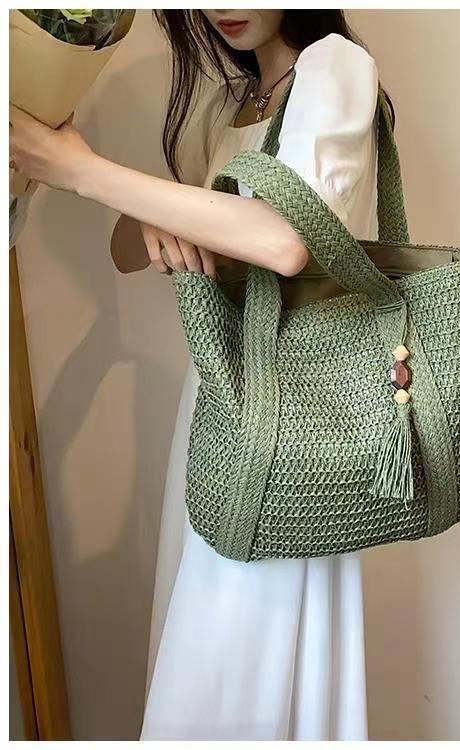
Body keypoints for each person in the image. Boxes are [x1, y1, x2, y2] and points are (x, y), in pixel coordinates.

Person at [9, 9, 389, 740]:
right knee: (218, 657)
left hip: (292, 424)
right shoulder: (229, 104)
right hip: (224, 407)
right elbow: (127, 249)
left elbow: (286, 241)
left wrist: (81, 170)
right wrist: (157, 212)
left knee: (234, 665)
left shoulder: (333, 67)